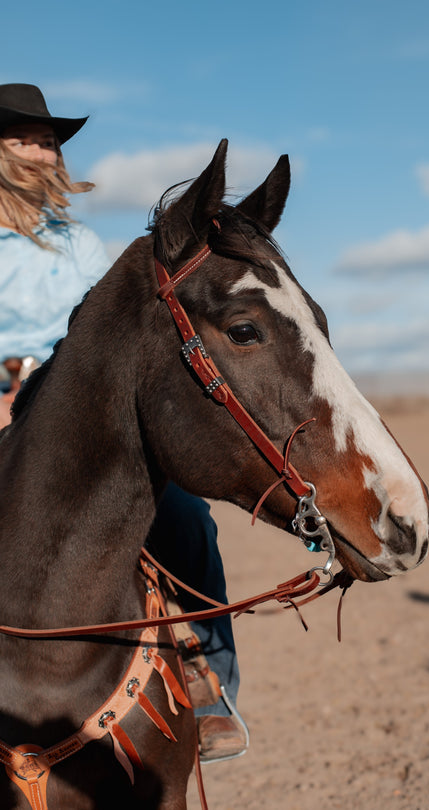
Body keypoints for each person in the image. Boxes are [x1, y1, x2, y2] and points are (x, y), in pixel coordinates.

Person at [0, 83, 247, 762]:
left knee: (188, 519)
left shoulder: (78, 243)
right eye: (24, 137)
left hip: (72, 407)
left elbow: (95, 330)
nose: (42, 149)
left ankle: (209, 681)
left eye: (48, 140)